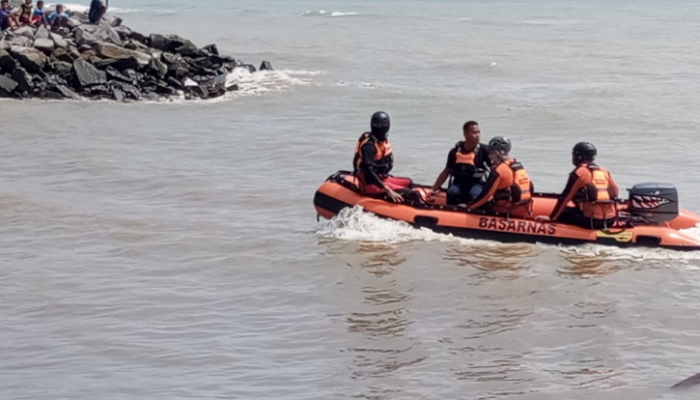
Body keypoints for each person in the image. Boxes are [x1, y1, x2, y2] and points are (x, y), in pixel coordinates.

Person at [539, 142, 619, 229]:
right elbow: (616, 191)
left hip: (591, 221)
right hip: (610, 220)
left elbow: (565, 197)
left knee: (565, 213)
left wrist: (551, 217)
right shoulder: (604, 171)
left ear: (579, 156)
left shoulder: (579, 172)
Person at [466, 136, 534, 218]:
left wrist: (469, 208)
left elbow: (486, 195)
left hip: (505, 210)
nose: (489, 156)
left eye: (491, 152)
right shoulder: (517, 165)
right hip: (524, 209)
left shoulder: (499, 170)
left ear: (498, 153)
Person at [353, 111, 412, 203]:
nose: (380, 127)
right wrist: (387, 189)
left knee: (409, 183)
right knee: (413, 194)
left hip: (381, 178)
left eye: (382, 125)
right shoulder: (369, 146)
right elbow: (369, 171)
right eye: (377, 125)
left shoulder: (381, 142)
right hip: (371, 182)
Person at [430, 120, 490, 205]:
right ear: (465, 134)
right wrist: (434, 189)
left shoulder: (485, 150)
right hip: (459, 183)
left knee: (474, 194)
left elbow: (495, 171)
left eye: (479, 132)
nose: (478, 135)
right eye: (474, 133)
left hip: (477, 183)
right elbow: (446, 171)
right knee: (451, 192)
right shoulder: (454, 152)